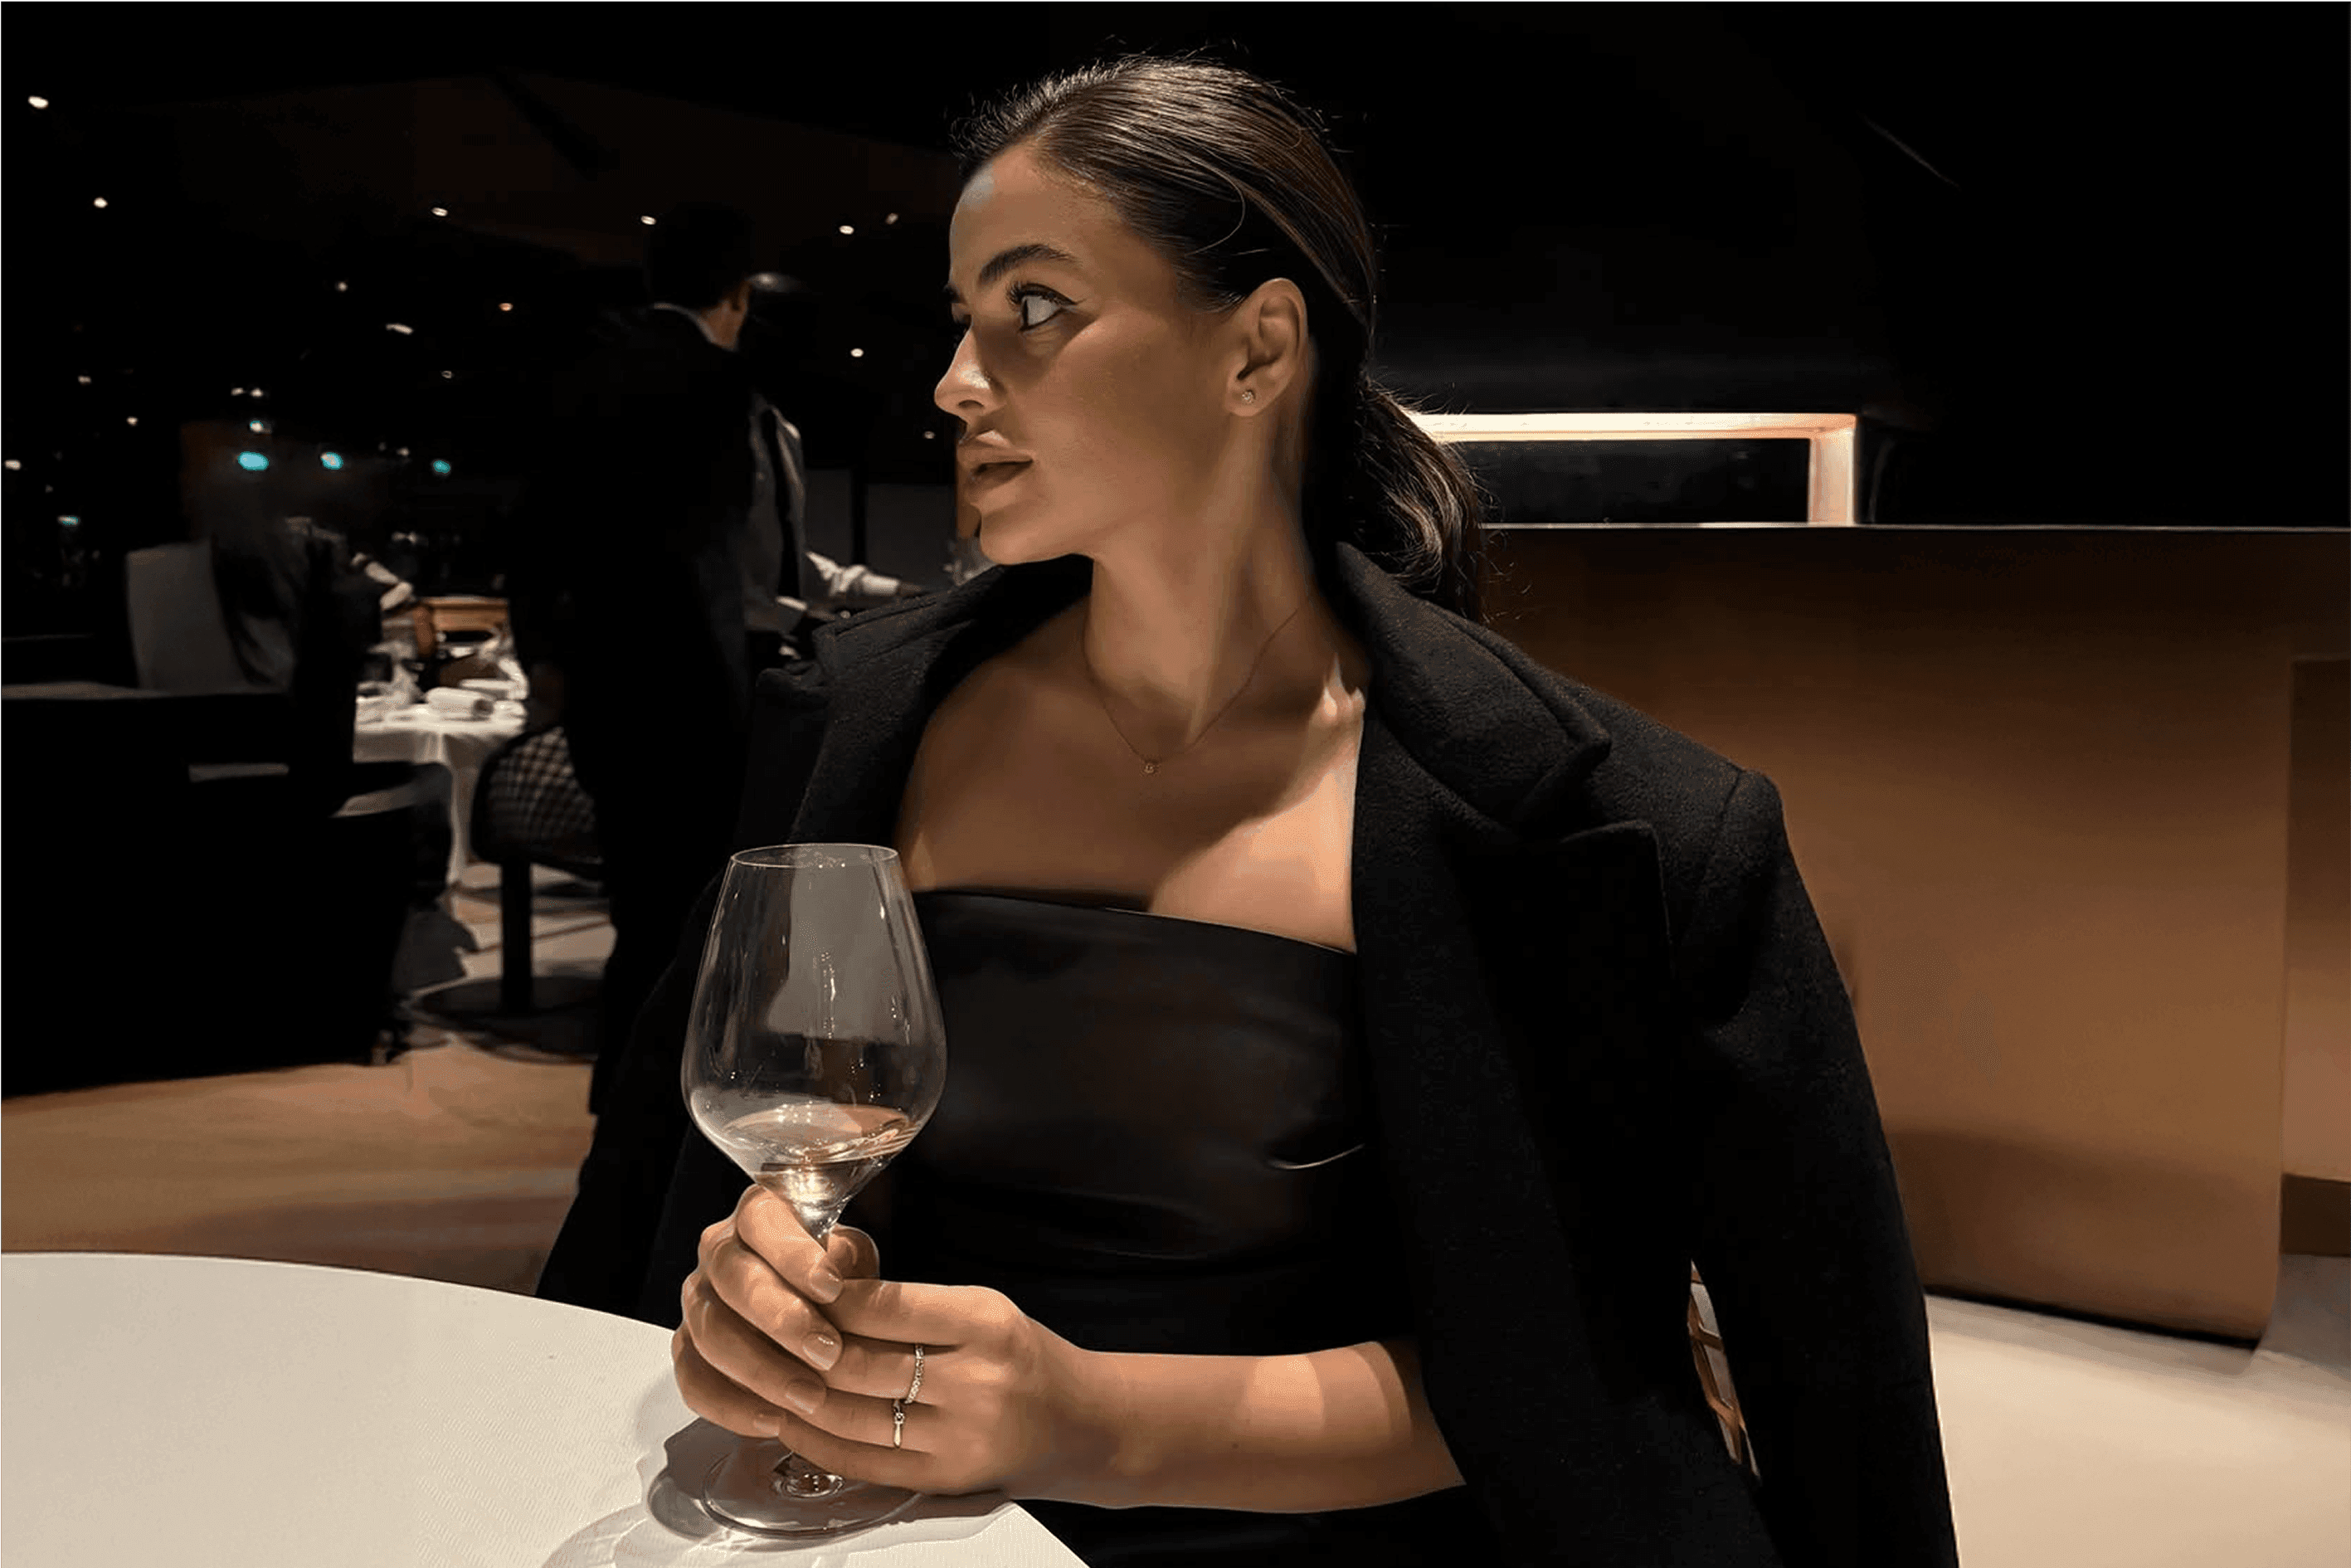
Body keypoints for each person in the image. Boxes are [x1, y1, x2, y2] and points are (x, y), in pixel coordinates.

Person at [538, 56, 1960, 1567]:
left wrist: (1085, 1421)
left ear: (1257, 351)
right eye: (959, 318)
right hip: (899, 1539)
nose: (953, 381)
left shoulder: (1620, 837)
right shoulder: (850, 729)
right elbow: (646, 1185)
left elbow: (1608, 1378)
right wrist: (741, 1307)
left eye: (1032, 309)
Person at [504, 202, 923, 1114]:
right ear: (737, 302)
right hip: (706, 689)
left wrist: (548, 662)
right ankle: (661, 1110)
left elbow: (541, 540)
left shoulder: (600, 383)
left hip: (635, 692)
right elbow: (713, 571)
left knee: (668, 913)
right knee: (694, 915)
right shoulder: (711, 392)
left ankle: (648, 1101)